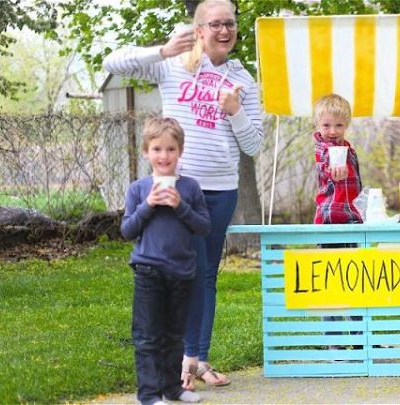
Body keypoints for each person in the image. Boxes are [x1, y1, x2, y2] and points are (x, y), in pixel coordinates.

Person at [104, 0, 264, 388]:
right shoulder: (172, 62)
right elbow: (113, 62)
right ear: (198, 29)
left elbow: (254, 144)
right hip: (178, 187)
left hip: (221, 190)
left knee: (206, 274)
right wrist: (160, 50)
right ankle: (175, 363)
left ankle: (197, 359)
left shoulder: (243, 79)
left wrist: (235, 111)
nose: (224, 31)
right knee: (175, 273)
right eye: (215, 24)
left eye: (230, 24)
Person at [121, 117, 211, 405]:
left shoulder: (191, 188)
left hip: (182, 271)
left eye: (171, 149)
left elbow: (203, 227)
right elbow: (127, 230)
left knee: (174, 335)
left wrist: (179, 205)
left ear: (180, 152)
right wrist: (149, 205)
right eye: (157, 149)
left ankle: (172, 388)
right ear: (146, 152)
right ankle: (148, 394)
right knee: (148, 336)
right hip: (148, 270)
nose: (164, 156)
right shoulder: (138, 189)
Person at [312, 94, 363, 350]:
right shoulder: (322, 149)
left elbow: (357, 186)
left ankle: (360, 338)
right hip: (329, 223)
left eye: (339, 125)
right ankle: (335, 343)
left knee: (356, 281)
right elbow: (323, 165)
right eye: (326, 125)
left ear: (347, 125)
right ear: (317, 127)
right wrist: (332, 168)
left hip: (351, 222)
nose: (332, 131)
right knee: (331, 284)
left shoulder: (349, 149)